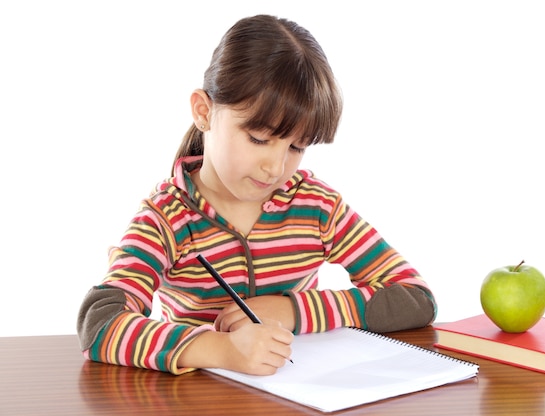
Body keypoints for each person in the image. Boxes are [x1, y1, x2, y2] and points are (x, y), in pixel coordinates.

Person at [77, 14, 437, 376]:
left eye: (297, 147)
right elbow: (99, 324)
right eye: (259, 139)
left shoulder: (317, 207)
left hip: (299, 394)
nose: (276, 167)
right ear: (204, 112)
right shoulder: (166, 217)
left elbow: (416, 298)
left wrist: (294, 310)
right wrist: (222, 349)